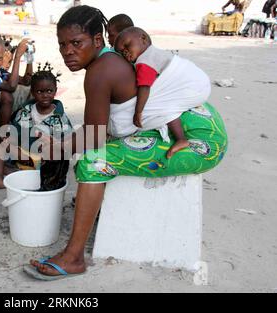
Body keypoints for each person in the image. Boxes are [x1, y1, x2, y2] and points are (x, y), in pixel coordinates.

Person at [24, 5, 228, 280]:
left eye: (76, 43)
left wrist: (58, 147)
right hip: (198, 121)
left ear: (98, 41)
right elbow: (100, 126)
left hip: (199, 142)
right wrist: (63, 143)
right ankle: (89, 218)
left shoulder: (100, 71)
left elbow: (94, 137)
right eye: (62, 44)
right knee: (93, 149)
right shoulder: (107, 60)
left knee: (92, 163)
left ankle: (74, 257)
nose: (67, 51)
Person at [114, 26, 211, 158]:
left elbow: (145, 87)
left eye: (127, 46)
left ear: (143, 39)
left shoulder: (144, 61)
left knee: (166, 108)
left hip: (192, 86)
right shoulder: (155, 53)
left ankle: (181, 139)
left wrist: (138, 112)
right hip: (200, 81)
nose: (125, 52)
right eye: (121, 52)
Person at [0, 63, 73, 192]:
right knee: (2, 144)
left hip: (45, 159)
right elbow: (15, 130)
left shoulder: (60, 118)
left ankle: (25, 173)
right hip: (25, 155)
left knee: (56, 154)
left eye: (49, 91)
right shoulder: (26, 110)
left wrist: (54, 145)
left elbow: (68, 143)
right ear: (32, 92)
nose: (45, 95)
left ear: (55, 91)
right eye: (40, 91)